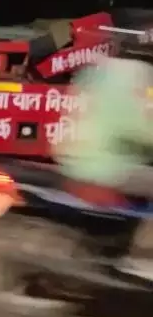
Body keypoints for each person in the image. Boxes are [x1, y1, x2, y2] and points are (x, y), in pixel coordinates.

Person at [55, 53, 153, 269]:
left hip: (74, 160)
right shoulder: (138, 74)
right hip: (109, 168)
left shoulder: (96, 70)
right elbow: (139, 127)